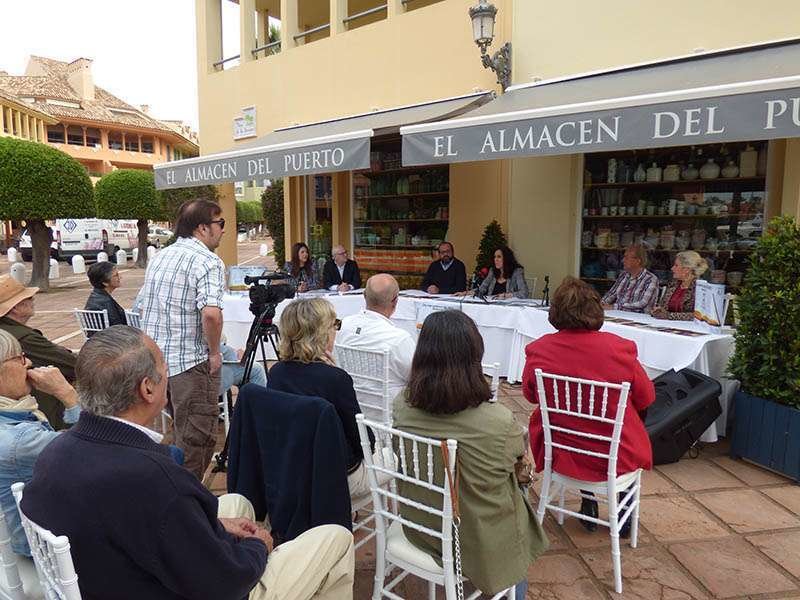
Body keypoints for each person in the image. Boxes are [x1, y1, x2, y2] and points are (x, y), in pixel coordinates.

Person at [21, 326, 355, 600]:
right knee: (335, 537)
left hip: (116, 574)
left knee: (237, 504)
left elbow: (138, 525)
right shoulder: (155, 478)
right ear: (148, 389)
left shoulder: (57, 451)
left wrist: (217, 526)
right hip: (191, 587)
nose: (169, 374)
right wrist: (258, 546)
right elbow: (225, 582)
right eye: (164, 368)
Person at [393, 310, 547, 599]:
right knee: (519, 487)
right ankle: (515, 585)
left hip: (419, 522)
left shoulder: (401, 405)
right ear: (474, 356)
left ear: (422, 355)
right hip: (475, 538)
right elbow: (517, 469)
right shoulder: (498, 422)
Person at [522, 277, 655, 536]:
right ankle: (622, 508)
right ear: (595, 310)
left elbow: (529, 395)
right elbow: (647, 397)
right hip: (615, 452)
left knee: (577, 427)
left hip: (562, 450)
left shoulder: (539, 349)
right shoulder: (620, 349)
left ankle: (588, 499)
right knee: (625, 425)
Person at [136, 199, 226, 479]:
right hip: (190, 363)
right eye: (219, 224)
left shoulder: (161, 256)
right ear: (202, 228)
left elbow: (141, 305)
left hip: (156, 363)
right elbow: (211, 314)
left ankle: (166, 486)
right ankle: (187, 502)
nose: (223, 230)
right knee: (197, 439)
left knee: (179, 430)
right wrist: (214, 353)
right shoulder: (208, 261)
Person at [268, 297, 389, 499]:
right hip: (335, 476)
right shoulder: (335, 379)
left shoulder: (277, 372)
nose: (336, 331)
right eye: (335, 325)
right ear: (322, 332)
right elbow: (363, 441)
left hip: (291, 468)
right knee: (391, 456)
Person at [0, 329, 80, 557]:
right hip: (42, 547)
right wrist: (66, 393)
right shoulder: (19, 440)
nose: (29, 363)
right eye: (20, 358)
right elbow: (93, 450)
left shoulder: (13, 416)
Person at [0, 274, 76, 430]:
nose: (33, 300)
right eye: (28, 298)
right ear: (15, 307)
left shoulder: (11, 331)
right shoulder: (24, 337)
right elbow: (72, 362)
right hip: (42, 409)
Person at [336, 274, 416, 404]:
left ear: (364, 296)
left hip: (352, 408)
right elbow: (417, 378)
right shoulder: (398, 338)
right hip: (390, 416)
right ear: (395, 301)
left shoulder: (343, 326)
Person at [651, 250, 708, 321]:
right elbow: (663, 307)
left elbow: (699, 315)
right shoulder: (673, 284)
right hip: (667, 325)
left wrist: (670, 316)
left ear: (687, 269)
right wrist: (658, 310)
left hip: (690, 328)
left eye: (676, 265)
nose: (672, 268)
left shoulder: (700, 288)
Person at [600, 244, 660, 313]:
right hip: (619, 314)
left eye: (626, 258)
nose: (623, 260)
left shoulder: (651, 279)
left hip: (640, 318)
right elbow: (611, 293)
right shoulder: (624, 275)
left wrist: (615, 306)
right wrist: (601, 303)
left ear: (638, 261)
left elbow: (642, 303)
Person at [84, 262, 126, 330]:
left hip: (98, 338)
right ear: (105, 282)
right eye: (116, 275)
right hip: (111, 338)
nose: (120, 277)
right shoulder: (106, 302)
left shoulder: (95, 297)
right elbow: (118, 327)